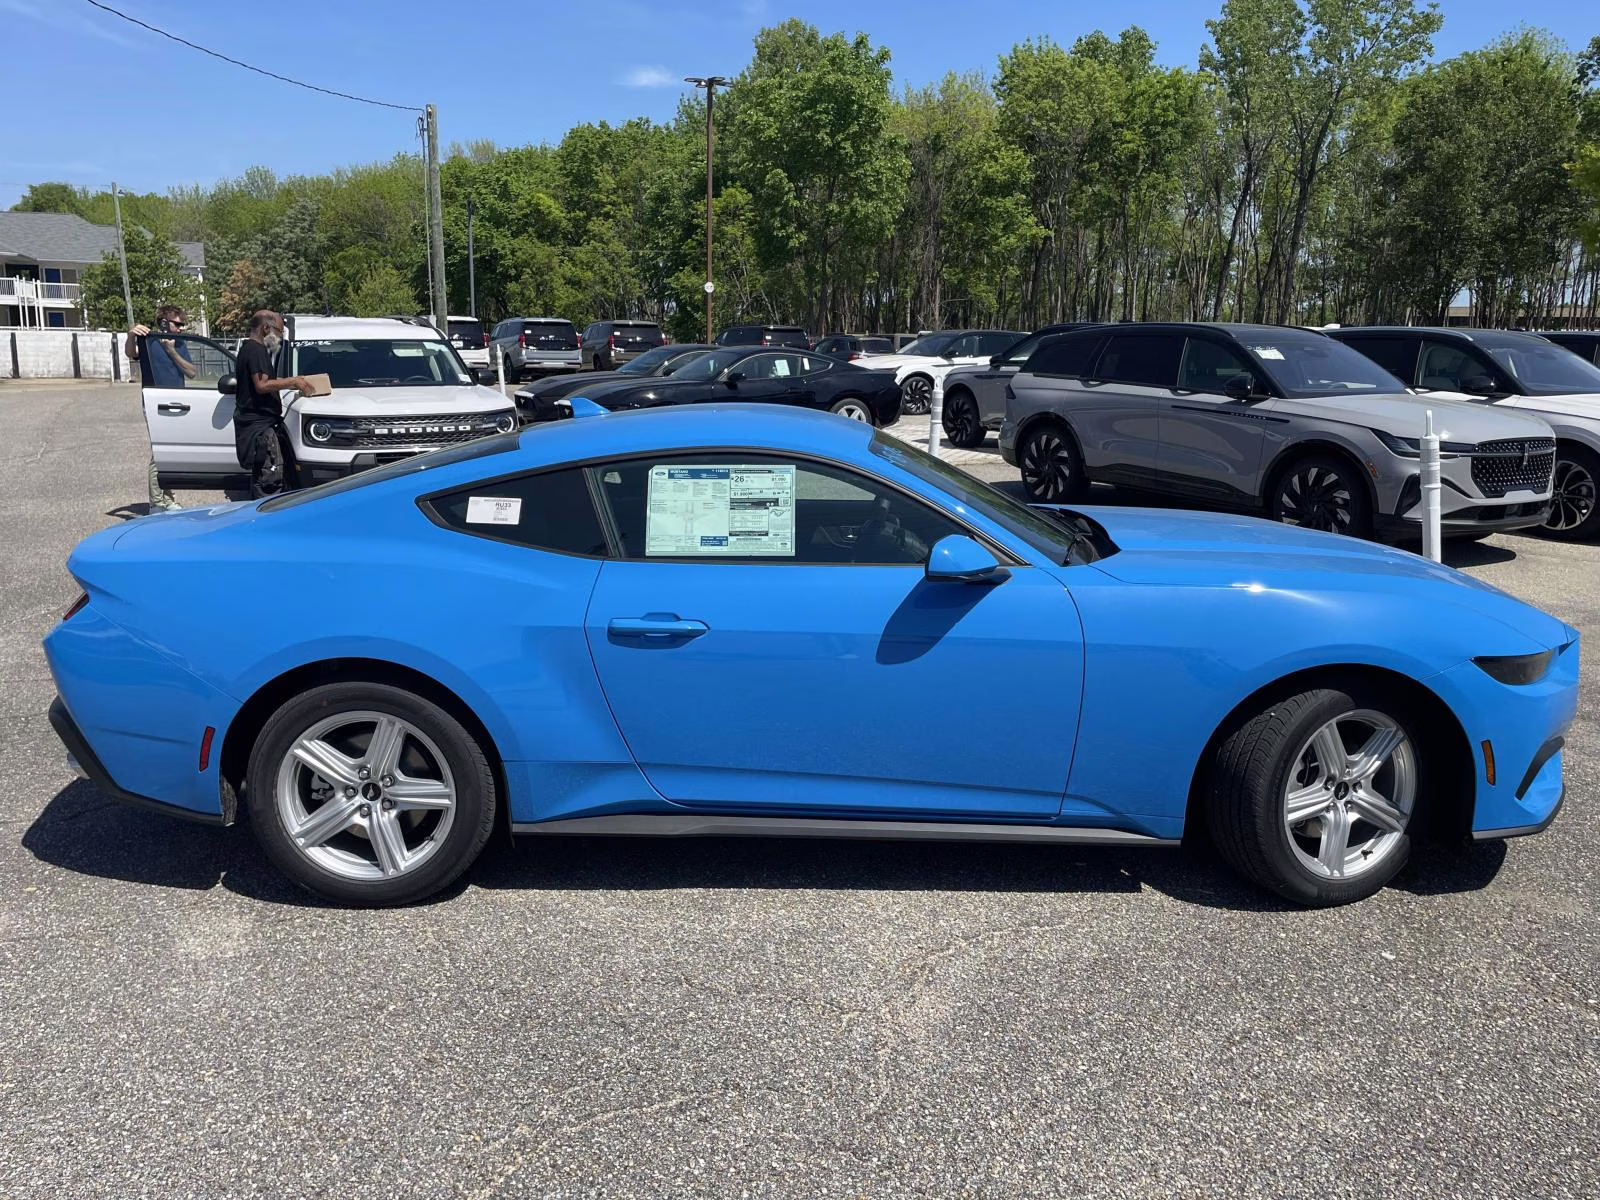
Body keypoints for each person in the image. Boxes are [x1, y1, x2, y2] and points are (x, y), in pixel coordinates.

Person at [126, 305, 197, 512]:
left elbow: (192, 372)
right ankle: (156, 502)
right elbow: (132, 353)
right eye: (178, 324)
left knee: (171, 452)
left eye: (183, 324)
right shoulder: (149, 340)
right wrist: (131, 335)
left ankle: (167, 498)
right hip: (157, 402)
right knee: (159, 452)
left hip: (178, 402)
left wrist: (172, 351)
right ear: (165, 323)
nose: (181, 328)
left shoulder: (180, 343)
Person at [234, 310, 309, 493]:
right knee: (269, 481)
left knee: (265, 476)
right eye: (279, 331)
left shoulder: (248, 349)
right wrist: (293, 382)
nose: (281, 337)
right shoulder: (256, 350)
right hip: (260, 427)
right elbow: (261, 384)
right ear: (266, 328)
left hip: (257, 424)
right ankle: (266, 516)